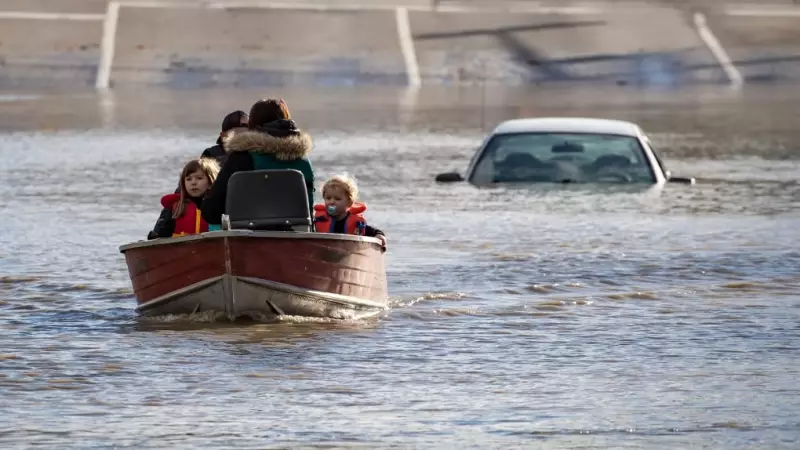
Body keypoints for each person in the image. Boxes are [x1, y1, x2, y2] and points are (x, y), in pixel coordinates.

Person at [201, 98, 315, 226]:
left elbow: (211, 211)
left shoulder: (242, 157)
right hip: (298, 239)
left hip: (250, 240)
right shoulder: (304, 159)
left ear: (253, 126)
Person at [146, 109, 247, 240]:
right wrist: (158, 231)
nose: (245, 131)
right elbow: (180, 192)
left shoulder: (255, 154)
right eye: (240, 128)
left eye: (247, 127)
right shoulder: (211, 156)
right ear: (223, 135)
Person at [313, 174, 387, 249]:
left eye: (337, 199)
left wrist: (379, 236)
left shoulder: (356, 223)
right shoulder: (318, 220)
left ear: (349, 202)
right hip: (324, 253)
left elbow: (374, 232)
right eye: (328, 198)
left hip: (349, 254)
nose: (332, 202)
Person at [152, 158, 220, 238]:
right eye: (188, 179)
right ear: (183, 184)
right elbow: (160, 236)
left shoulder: (218, 207)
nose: (193, 182)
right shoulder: (175, 208)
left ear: (210, 182)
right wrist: (157, 234)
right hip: (181, 249)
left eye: (199, 178)